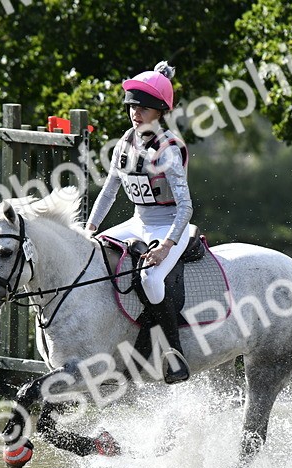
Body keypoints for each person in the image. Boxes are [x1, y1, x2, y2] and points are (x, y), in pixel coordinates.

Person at [85, 61, 192, 384]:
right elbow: (107, 194)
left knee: (150, 280)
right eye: (132, 105)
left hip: (170, 225)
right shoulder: (125, 143)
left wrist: (165, 247)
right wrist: (88, 230)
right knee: (93, 254)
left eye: (143, 107)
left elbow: (186, 207)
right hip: (137, 222)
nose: (135, 112)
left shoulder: (169, 148)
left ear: (159, 111)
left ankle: (174, 354)